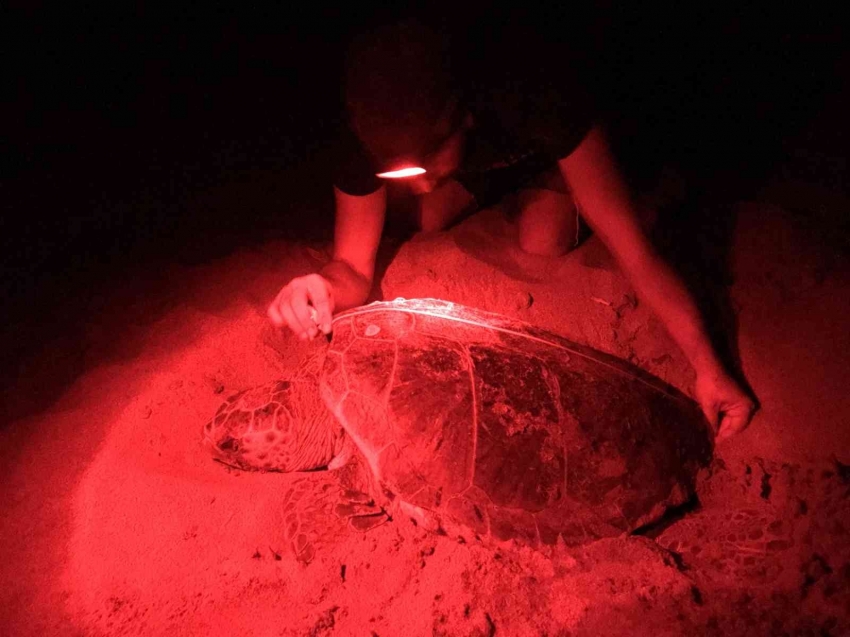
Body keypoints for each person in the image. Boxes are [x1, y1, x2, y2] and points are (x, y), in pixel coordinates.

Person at [267, 18, 757, 441]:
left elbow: (636, 254)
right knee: (426, 217)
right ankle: (495, 184)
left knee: (543, 237)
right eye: (396, 172)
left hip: (558, 147)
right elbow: (352, 265)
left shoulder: (535, 92)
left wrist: (709, 364)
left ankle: (626, 179)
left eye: (425, 164)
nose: (414, 182)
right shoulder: (364, 137)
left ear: (464, 119)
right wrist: (323, 286)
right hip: (490, 158)